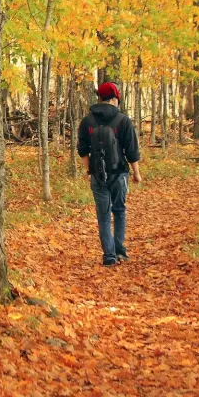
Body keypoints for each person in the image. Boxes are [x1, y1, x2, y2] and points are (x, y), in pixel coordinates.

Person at [77, 81, 142, 266]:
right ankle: (120, 251)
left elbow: (82, 150)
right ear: (114, 99)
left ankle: (109, 256)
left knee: (103, 216)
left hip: (98, 176)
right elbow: (132, 151)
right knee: (119, 211)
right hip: (119, 174)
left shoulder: (87, 121)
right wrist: (136, 173)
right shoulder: (123, 120)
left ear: (100, 98)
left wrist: (89, 169)